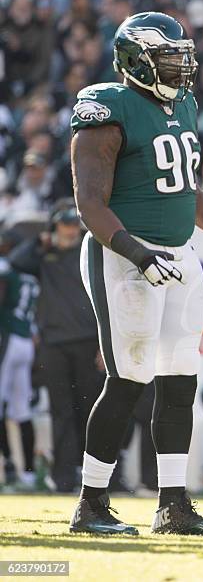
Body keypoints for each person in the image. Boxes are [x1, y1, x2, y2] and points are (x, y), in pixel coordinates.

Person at [68, 11, 203, 536]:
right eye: (168, 57)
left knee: (179, 380)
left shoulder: (182, 105)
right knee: (128, 379)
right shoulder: (108, 107)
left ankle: (173, 504)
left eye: (181, 56)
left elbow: (187, 195)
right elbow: (89, 203)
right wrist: (138, 255)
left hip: (178, 253)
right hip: (122, 253)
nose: (181, 67)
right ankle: (91, 503)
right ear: (137, 61)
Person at [9, 199, 102, 494]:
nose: (70, 230)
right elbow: (16, 261)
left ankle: (92, 475)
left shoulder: (89, 253)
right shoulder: (43, 255)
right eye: (64, 224)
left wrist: (103, 344)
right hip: (54, 344)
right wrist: (41, 240)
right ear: (54, 227)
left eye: (74, 224)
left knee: (90, 410)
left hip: (87, 341)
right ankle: (63, 477)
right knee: (61, 411)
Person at [0, 227, 39, 490]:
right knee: (22, 411)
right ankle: (28, 472)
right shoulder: (32, 277)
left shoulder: (7, 270)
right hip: (26, 340)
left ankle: (10, 467)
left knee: (3, 407)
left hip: (7, 339)